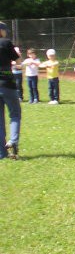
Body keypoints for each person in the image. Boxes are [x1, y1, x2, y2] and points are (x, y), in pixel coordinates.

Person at [0, 21, 21, 160]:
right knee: (14, 114)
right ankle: (13, 141)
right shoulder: (5, 42)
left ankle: (2, 153)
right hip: (7, 82)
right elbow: (18, 61)